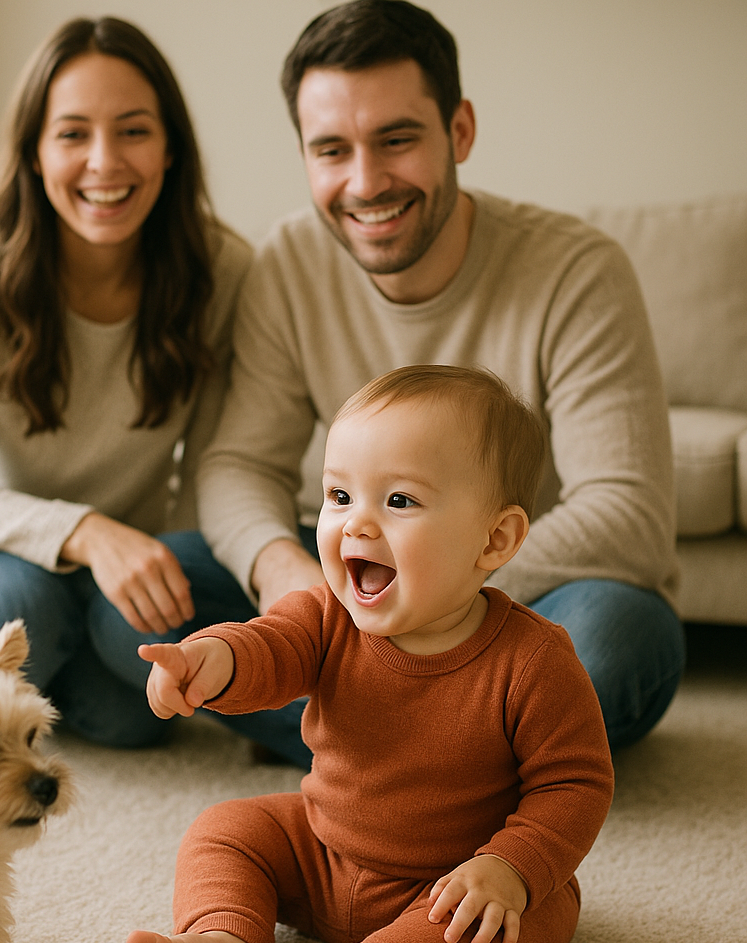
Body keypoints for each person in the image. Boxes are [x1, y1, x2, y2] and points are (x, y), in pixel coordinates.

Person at [96, 0, 684, 766]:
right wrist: (296, 582)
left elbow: (628, 513)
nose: (365, 182)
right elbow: (238, 465)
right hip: (347, 583)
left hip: (508, 603)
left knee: (611, 644)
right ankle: (453, 761)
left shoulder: (578, 271)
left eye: (397, 140)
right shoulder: (288, 264)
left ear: (460, 131)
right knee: (134, 620)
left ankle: (349, 738)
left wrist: (425, 585)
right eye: (332, 149)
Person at [117, 365, 615, 943]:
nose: (355, 526)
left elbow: (576, 784)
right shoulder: (328, 615)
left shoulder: (534, 661)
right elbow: (270, 646)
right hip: (324, 853)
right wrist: (214, 659)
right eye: (338, 496)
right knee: (226, 829)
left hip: (454, 882)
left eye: (399, 501)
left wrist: (510, 869)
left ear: (495, 538)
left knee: (509, 929)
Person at [0, 16, 252, 748]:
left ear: (170, 148)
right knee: (19, 602)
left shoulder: (223, 272)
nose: (104, 162)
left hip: (110, 567)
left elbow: (212, 475)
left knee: (141, 711)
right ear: (36, 153)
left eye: (133, 130)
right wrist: (88, 531)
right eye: (73, 134)